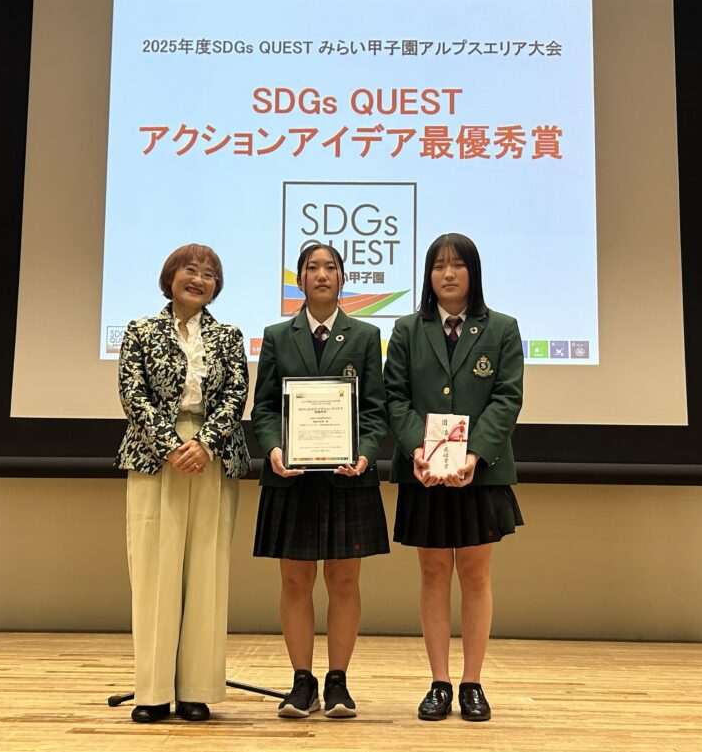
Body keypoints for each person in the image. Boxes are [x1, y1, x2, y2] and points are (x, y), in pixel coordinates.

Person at [383, 233, 524, 722]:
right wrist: (417, 449)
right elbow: (395, 398)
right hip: (424, 472)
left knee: (476, 575)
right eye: (438, 265)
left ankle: (472, 684)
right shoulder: (407, 329)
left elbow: (507, 397)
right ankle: (439, 682)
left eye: (457, 265)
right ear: (428, 275)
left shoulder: (502, 328)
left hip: (478, 474)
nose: (447, 274)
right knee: (433, 573)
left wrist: (475, 453)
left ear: (472, 273)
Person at [251, 242, 390, 719]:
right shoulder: (277, 335)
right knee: (295, 580)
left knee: (344, 581)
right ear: (300, 279)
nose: (322, 274)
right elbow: (264, 408)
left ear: (343, 278)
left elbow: (375, 411)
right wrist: (274, 449)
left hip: (348, 478)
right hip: (290, 477)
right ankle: (301, 682)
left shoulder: (366, 335)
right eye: (312, 267)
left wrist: (365, 454)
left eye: (331, 267)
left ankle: (338, 683)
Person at [117, 243, 250, 723]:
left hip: (211, 457)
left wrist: (205, 443)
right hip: (155, 457)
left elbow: (236, 394)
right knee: (155, 572)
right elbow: (132, 393)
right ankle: (152, 692)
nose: (199, 279)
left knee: (206, 572)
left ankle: (197, 689)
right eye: (190, 270)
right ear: (170, 277)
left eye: (209, 274)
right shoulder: (139, 330)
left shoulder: (229, 336)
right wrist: (171, 444)